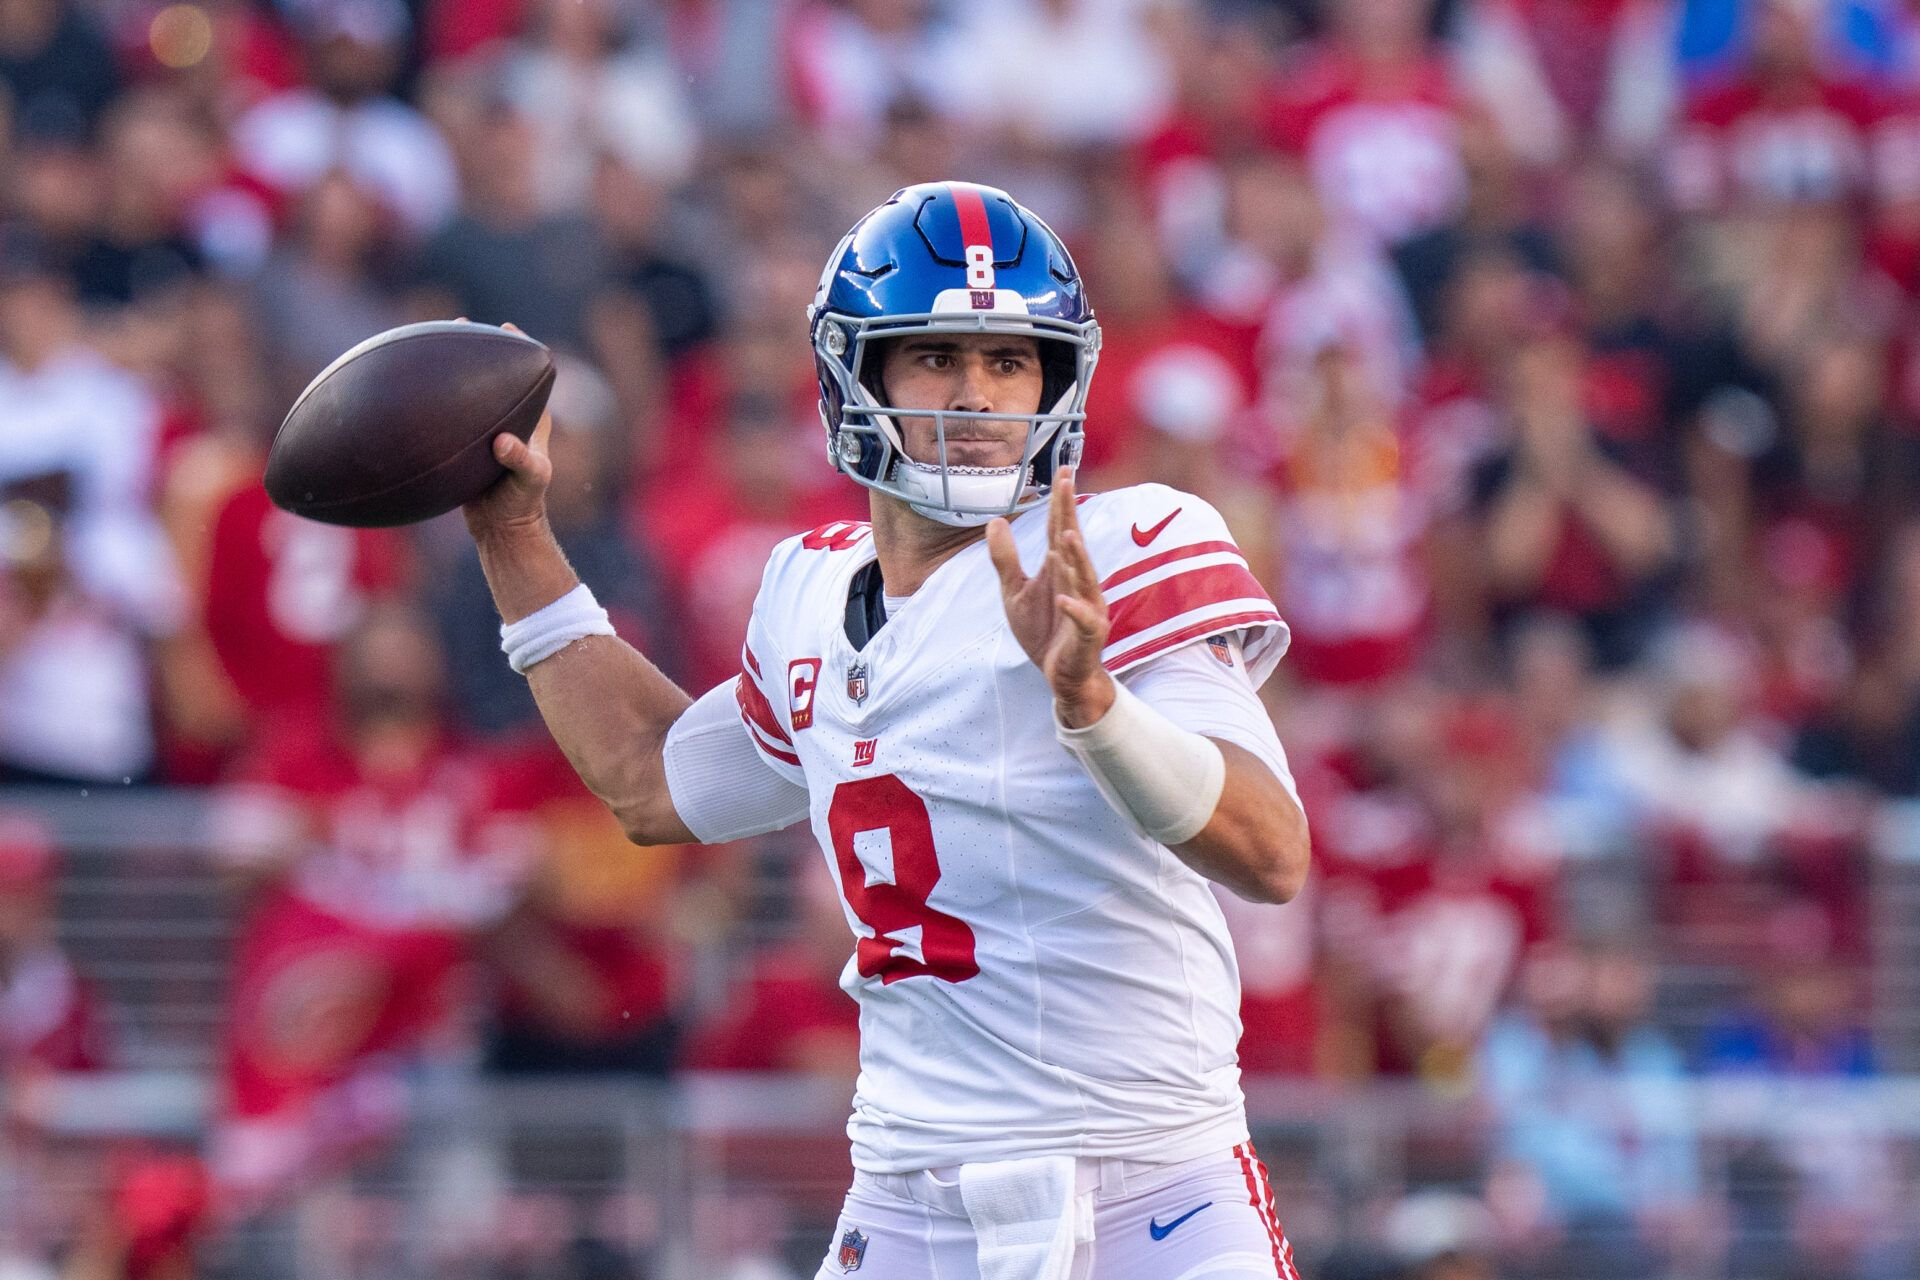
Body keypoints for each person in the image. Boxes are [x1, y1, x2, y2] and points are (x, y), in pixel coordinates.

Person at [461, 182, 1312, 1280]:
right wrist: (515, 535)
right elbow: (651, 780)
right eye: (936, 357)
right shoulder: (806, 590)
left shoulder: (1118, 543)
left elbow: (1273, 850)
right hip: (911, 1200)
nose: (976, 395)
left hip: (1147, 1187)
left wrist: (1095, 707)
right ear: (853, 374)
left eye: (1009, 362)